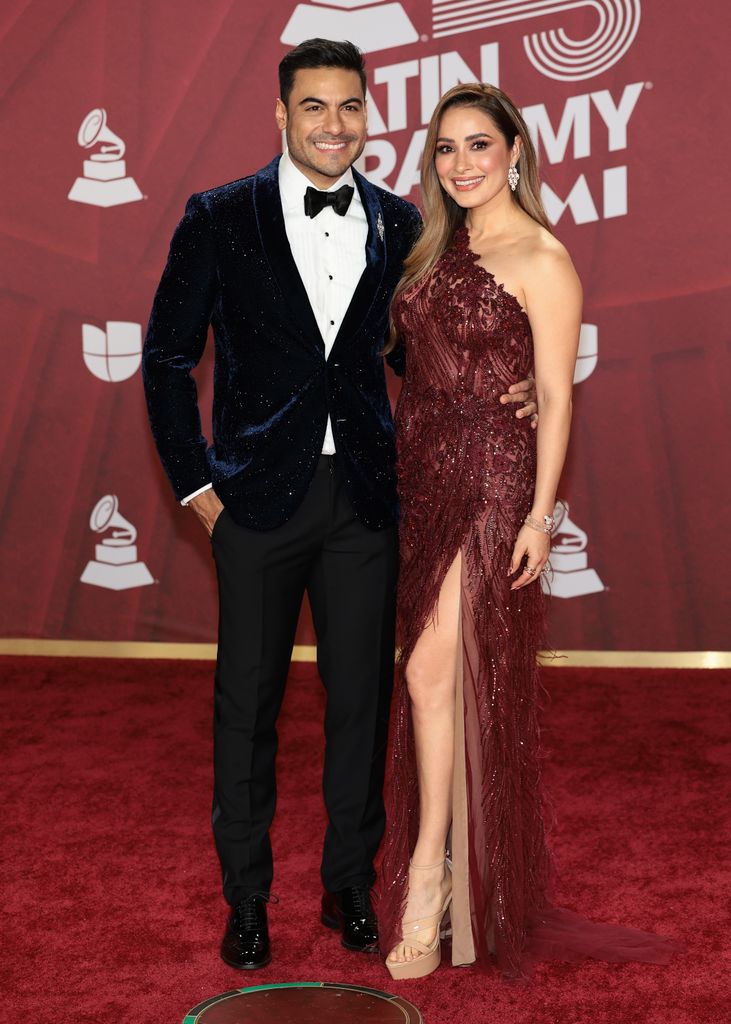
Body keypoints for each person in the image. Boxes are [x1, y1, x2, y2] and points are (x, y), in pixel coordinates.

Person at [142, 43, 536, 971]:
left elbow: (419, 355)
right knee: (249, 705)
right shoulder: (217, 216)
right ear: (281, 115)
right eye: (313, 108)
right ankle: (246, 898)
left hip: (368, 497)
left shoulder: (404, 222)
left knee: (363, 701)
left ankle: (349, 886)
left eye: (349, 108)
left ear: (368, 115)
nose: (333, 125)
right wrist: (199, 489)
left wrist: (509, 390)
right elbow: (165, 359)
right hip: (255, 501)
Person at [378, 83, 680, 980]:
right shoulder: (430, 245)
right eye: (444, 149)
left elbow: (552, 398)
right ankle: (458, 882)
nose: (461, 164)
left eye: (479, 145)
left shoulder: (543, 259)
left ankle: (428, 886)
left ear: (515, 150)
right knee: (439, 683)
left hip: (491, 482)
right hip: (422, 476)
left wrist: (540, 515)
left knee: (432, 671)